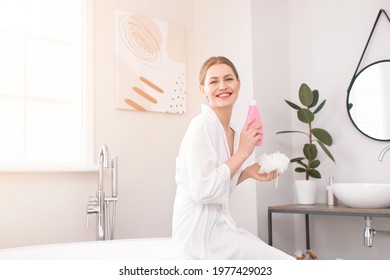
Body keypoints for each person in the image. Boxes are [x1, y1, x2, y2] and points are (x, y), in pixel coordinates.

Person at [171, 56, 293, 260]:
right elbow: (203, 191)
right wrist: (242, 153)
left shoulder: (231, 132)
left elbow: (220, 185)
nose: (222, 86)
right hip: (198, 234)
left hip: (220, 226)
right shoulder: (201, 125)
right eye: (213, 81)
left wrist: (247, 173)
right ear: (203, 89)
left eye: (228, 79)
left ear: (238, 84)